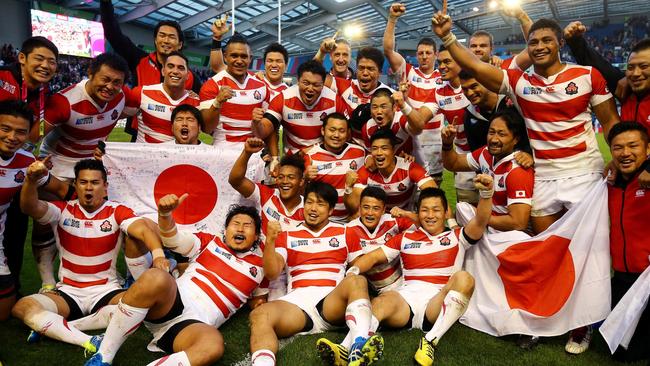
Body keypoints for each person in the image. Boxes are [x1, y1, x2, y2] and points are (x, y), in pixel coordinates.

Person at [430, 12, 620, 354]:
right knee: (546, 252)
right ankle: (548, 316)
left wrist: (615, 162)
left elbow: (611, 122)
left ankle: (582, 327)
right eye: (533, 42)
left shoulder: (587, 76)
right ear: (527, 48)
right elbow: (477, 67)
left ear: (560, 44)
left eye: (547, 40)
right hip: (545, 179)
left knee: (589, 253)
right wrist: (447, 39)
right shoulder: (519, 80)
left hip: (585, 176)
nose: (540, 46)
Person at [12, 159, 168, 353]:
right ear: (75, 185)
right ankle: (90, 341)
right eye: (83, 182)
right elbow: (29, 207)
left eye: (95, 183)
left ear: (105, 187)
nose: (89, 188)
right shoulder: (61, 210)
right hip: (69, 292)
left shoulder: (116, 210)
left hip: (106, 291)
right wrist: (30, 181)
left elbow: (143, 230)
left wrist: (159, 255)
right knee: (22, 307)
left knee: (141, 309)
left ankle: (59, 327)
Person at [86, 202, 268, 366]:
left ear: (257, 236)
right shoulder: (209, 242)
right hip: (172, 303)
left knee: (213, 345)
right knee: (156, 277)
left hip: (192, 326)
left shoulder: (262, 268)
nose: (240, 229)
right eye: (235, 224)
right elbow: (172, 240)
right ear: (226, 229)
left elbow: (259, 301)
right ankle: (104, 356)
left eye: (247, 226)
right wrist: (165, 215)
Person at [346, 175, 495, 366]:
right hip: (405, 301)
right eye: (424, 210)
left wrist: (486, 193)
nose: (430, 215)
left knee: (465, 278)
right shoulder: (405, 238)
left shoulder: (458, 236)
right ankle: (357, 346)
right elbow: (374, 257)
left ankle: (430, 341)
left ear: (445, 212)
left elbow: (481, 220)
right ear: (418, 212)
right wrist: (354, 270)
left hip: (437, 303)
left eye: (436, 210)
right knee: (382, 300)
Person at [248, 182, 383, 366]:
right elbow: (272, 273)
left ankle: (358, 347)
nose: (313, 208)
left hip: (331, 301)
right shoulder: (288, 235)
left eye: (320, 204)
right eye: (309, 202)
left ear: (331, 210)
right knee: (260, 314)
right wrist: (270, 241)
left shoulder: (346, 232)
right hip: (297, 304)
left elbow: (360, 264)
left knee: (357, 280)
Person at [32, 53, 133, 291]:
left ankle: (105, 274)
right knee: (46, 224)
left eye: (117, 82)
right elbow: (30, 137)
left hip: (92, 169)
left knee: (101, 223)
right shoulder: (64, 101)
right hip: (58, 167)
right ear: (90, 73)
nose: (110, 87)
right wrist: (36, 166)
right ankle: (48, 282)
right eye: (105, 79)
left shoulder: (122, 97)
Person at [316, 186, 417, 365]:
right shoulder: (348, 229)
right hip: (370, 289)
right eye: (365, 207)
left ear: (384, 209)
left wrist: (406, 214)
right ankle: (355, 347)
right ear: (359, 207)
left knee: (373, 310)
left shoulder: (394, 222)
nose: (370, 213)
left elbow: (425, 224)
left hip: (400, 286)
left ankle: (346, 347)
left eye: (376, 208)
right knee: (364, 306)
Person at [0, 36, 58, 297]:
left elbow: (37, 133)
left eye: (52, 62)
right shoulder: (2, 77)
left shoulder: (46, 94)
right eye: (40, 58)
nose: (46, 65)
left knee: (15, 226)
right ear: (21, 58)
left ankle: (10, 285)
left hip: (17, 168)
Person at [0, 100, 68, 321]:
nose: (12, 137)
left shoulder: (26, 162)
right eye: (5, 129)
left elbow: (60, 189)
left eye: (20, 132)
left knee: (6, 309)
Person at [99, 0, 201, 140]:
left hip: (177, 137)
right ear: (155, 40)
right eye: (162, 35)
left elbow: (206, 106)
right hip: (141, 131)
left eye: (171, 37)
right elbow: (113, 34)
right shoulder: (138, 59)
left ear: (180, 44)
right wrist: (105, 3)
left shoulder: (190, 76)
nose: (166, 40)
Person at [564, 25, 650, 187]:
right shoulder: (626, 90)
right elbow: (599, 67)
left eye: (644, 66)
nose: (636, 73)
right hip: (632, 183)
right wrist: (575, 41)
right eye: (630, 67)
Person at [229, 137, 305, 301]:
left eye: (291, 177)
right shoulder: (266, 194)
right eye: (281, 177)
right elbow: (235, 180)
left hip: (288, 267)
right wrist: (247, 153)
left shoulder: (309, 209)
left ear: (301, 181)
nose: (285, 182)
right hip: (258, 261)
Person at [442, 108, 534, 232]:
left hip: (509, 234)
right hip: (489, 223)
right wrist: (447, 144)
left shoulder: (517, 170)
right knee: (462, 208)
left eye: (502, 134)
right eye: (491, 132)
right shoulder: (485, 153)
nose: (494, 139)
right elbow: (453, 164)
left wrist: (481, 218)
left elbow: (518, 223)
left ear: (516, 139)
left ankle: (459, 233)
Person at [606, 121, 650, 362]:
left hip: (648, 277)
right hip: (622, 277)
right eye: (618, 148)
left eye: (633, 146)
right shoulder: (609, 183)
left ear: (647, 149)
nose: (625, 153)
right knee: (617, 350)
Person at [383, 3, 443, 180]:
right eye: (420, 53)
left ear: (436, 55)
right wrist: (392, 19)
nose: (424, 56)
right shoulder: (408, 71)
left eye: (428, 53)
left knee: (432, 191)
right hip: (409, 142)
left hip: (434, 145)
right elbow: (388, 50)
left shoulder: (443, 78)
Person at [260, 60, 349, 155]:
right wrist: (256, 122)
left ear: (323, 84)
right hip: (293, 159)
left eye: (316, 85)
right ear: (298, 81)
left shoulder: (334, 100)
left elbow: (347, 132)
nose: (310, 89)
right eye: (306, 83)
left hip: (324, 156)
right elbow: (266, 130)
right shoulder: (283, 99)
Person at [199, 33, 271, 148]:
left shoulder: (261, 87)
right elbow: (206, 129)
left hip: (254, 153)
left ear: (250, 58)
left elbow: (266, 131)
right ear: (225, 56)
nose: (239, 60)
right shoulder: (212, 85)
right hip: (223, 151)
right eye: (234, 56)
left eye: (244, 56)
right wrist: (217, 102)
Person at [345, 129, 436, 213]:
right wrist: (348, 187)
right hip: (379, 220)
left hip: (405, 218)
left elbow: (435, 194)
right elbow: (354, 208)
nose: (379, 153)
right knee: (356, 216)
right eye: (375, 148)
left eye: (384, 148)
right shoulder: (366, 171)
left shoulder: (409, 167)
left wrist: (450, 221)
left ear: (393, 150)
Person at [302, 113, 366, 222]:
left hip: (352, 220)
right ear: (323, 131)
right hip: (322, 221)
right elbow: (301, 194)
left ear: (348, 133)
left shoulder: (359, 152)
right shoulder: (311, 156)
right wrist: (305, 177)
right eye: (332, 130)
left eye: (342, 131)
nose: (336, 135)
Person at [124, 52, 200, 143]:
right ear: (163, 71)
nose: (175, 71)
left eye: (181, 68)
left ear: (188, 75)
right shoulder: (141, 93)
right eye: (171, 66)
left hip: (177, 157)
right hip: (145, 156)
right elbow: (112, 115)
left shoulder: (197, 102)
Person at [359, 88, 425, 156]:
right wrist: (368, 158)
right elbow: (371, 155)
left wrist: (403, 105)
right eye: (375, 107)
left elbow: (419, 128)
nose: (379, 111)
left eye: (383, 107)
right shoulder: (367, 128)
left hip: (414, 164)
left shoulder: (401, 119)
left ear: (394, 108)